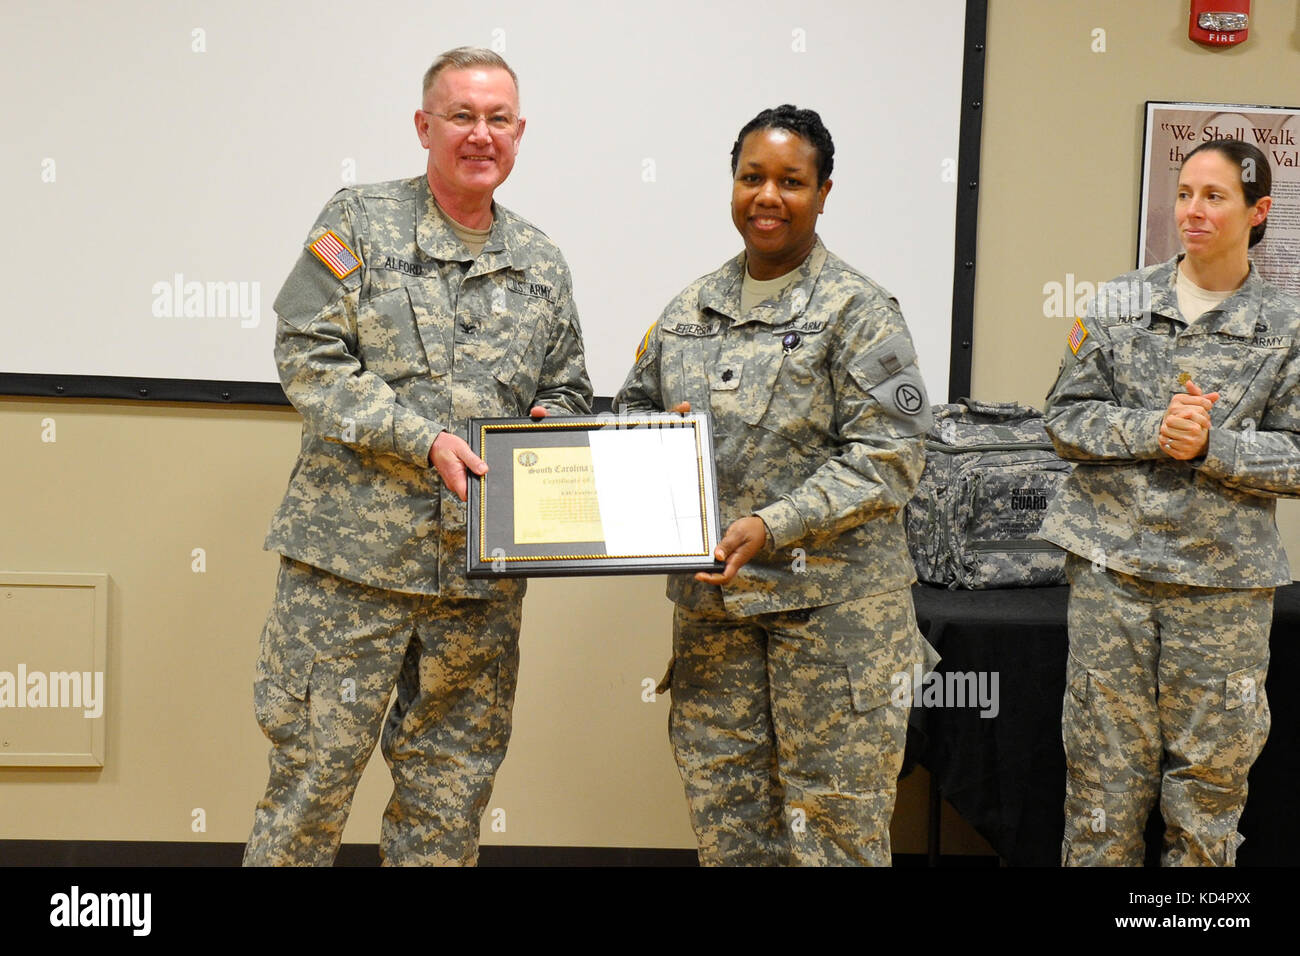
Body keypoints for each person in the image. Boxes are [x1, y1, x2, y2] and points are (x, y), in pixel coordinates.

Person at [243, 47, 593, 866]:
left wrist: (551, 426)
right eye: (462, 116)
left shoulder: (541, 263)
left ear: (519, 132)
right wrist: (421, 439)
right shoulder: (358, 221)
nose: (480, 134)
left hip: (475, 586)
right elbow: (309, 359)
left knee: (449, 803)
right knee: (309, 791)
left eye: (497, 119)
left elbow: (570, 388)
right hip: (349, 573)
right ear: (424, 126)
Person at [614, 105, 935, 866]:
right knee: (729, 827)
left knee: (834, 834)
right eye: (751, 176)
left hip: (832, 620)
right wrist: (619, 448)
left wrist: (775, 523)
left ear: (824, 193)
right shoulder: (687, 310)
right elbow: (632, 412)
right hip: (715, 615)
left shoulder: (861, 310)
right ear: (731, 185)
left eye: (791, 181)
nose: (767, 195)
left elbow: (892, 452)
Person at [1041, 139, 1300, 866]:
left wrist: (1214, 445)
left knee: (1209, 797)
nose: (1193, 210)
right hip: (1111, 576)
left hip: (1222, 587)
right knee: (1100, 786)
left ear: (1259, 212)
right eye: (1185, 193)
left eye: (1215, 196)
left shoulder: (1287, 327)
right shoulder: (1120, 303)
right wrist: (1153, 429)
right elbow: (1064, 417)